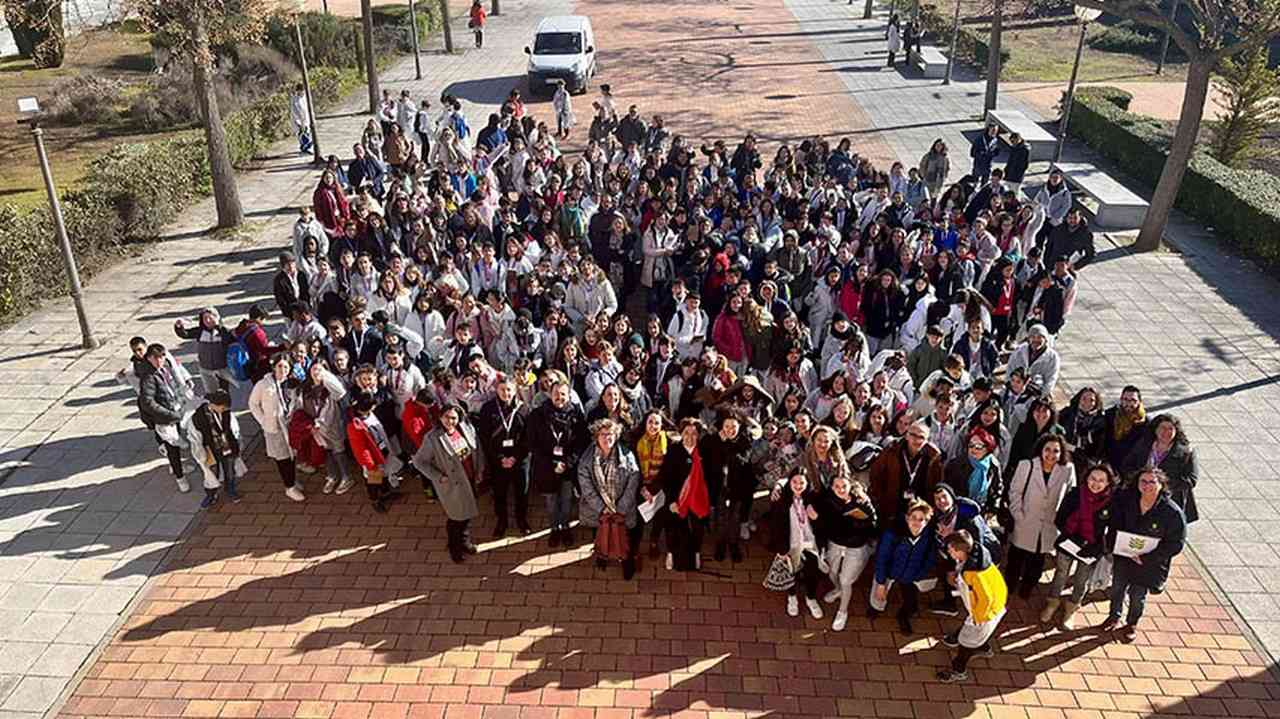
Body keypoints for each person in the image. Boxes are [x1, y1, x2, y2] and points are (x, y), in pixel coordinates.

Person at [1100, 467, 1187, 642]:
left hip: (1147, 563)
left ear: (1161, 485)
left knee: (1137, 595)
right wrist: (1113, 545)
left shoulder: (1172, 513)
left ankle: (1132, 623)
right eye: (1143, 481)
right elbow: (1114, 523)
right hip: (1124, 556)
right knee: (1117, 588)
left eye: (1152, 482)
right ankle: (1113, 616)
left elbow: (1175, 544)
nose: (1147, 486)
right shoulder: (1127, 500)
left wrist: (1147, 557)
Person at [1042, 462, 1115, 629]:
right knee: (1061, 574)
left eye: (1101, 480)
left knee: (1081, 579)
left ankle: (1072, 608)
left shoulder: (1112, 503)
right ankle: (1052, 602)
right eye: (1093, 478)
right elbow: (1060, 517)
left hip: (1091, 548)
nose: (1096, 483)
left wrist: (1098, 547)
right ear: (1086, 478)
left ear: (1108, 483)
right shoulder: (1075, 494)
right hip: (1069, 542)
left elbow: (1111, 530)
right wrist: (1071, 536)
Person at [1005, 434, 1075, 598]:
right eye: (1047, 450)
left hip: (1049, 525)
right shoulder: (1026, 465)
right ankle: (1009, 587)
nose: (1051, 454)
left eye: (1056, 451)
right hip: (1025, 521)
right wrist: (1018, 515)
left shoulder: (1067, 469)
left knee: (1037, 561)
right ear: (1041, 450)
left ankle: (1027, 588)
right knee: (1016, 559)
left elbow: (1071, 494)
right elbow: (1014, 492)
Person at [413, 403, 484, 560]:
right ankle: (454, 547)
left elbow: (477, 450)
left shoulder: (466, 429)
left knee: (466, 515)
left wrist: (479, 470)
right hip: (452, 485)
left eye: (453, 418)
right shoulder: (433, 438)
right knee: (456, 518)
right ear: (440, 417)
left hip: (469, 478)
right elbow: (419, 462)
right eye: (446, 417)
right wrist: (438, 476)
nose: (450, 421)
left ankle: (465, 541)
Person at [936, 529, 1008, 682]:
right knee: (979, 634)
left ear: (959, 551)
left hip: (985, 613)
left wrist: (977, 617)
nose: (948, 552)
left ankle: (959, 670)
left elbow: (986, 599)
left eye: (950, 549)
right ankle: (983, 647)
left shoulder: (973, 573)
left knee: (966, 642)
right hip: (996, 604)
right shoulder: (977, 555)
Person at [578, 417, 642, 578]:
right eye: (603, 434)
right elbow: (586, 488)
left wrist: (620, 508)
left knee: (627, 537)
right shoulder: (587, 459)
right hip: (598, 510)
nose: (607, 438)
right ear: (596, 437)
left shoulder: (627, 456)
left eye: (611, 434)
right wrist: (602, 508)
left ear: (616, 436)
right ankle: (602, 556)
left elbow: (633, 481)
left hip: (623, 508)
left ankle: (627, 562)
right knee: (600, 534)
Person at [528, 378, 588, 546]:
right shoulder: (538, 414)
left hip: (568, 468)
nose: (559, 397)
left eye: (563, 394)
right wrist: (552, 464)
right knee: (551, 501)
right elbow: (533, 444)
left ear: (569, 395)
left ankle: (565, 527)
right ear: (550, 394)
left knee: (567, 500)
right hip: (546, 468)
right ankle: (555, 528)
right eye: (556, 393)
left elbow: (581, 443)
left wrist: (567, 463)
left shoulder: (576, 415)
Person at [818, 475, 879, 631]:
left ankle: (842, 611)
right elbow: (823, 522)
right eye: (836, 487)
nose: (840, 490)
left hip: (855, 546)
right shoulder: (827, 501)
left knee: (846, 580)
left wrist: (859, 521)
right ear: (831, 488)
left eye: (844, 486)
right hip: (835, 543)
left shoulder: (861, 502)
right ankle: (837, 589)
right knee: (831, 571)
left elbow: (873, 524)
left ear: (850, 486)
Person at [476, 374, 532, 537]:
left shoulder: (524, 409)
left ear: (515, 390)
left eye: (509, 390)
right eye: (502, 389)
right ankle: (502, 521)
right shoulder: (488, 409)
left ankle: (521, 520)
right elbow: (485, 437)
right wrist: (501, 458)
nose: (506, 393)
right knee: (499, 493)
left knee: (522, 492)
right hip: (497, 460)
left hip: (520, 460)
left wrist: (515, 457)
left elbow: (528, 439)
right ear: (496, 390)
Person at [870, 498, 936, 634]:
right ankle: (876, 608)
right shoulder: (893, 534)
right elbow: (881, 559)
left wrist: (918, 575)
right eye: (913, 518)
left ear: (926, 521)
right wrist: (881, 583)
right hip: (890, 571)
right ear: (907, 518)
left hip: (911, 575)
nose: (916, 522)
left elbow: (930, 559)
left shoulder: (929, 537)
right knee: (878, 595)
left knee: (911, 604)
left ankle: (903, 616)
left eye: (921, 519)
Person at [767, 468, 825, 619]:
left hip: (809, 543)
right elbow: (775, 527)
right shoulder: (781, 500)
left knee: (812, 571)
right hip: (790, 544)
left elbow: (824, 525)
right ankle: (792, 596)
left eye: (802, 483)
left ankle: (810, 598)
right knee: (791, 571)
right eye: (795, 482)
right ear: (789, 482)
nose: (798, 486)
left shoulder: (813, 499)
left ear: (807, 484)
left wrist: (816, 517)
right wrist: (781, 549)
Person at [1120, 413, 1198, 523]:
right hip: (1141, 495)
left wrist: (1161, 485)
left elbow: (1191, 480)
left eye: (1170, 428)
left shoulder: (1186, 452)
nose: (1166, 432)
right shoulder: (1143, 444)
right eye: (1162, 428)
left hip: (1169, 499)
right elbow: (1127, 465)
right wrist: (1140, 480)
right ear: (1155, 429)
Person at [868, 419, 945, 530]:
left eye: (921, 437)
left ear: (927, 440)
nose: (916, 439)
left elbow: (937, 485)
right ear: (906, 435)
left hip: (919, 510)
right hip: (892, 506)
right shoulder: (892, 450)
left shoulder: (933, 458)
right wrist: (881, 499)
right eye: (913, 435)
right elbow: (876, 475)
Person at [250, 352, 303, 501]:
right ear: (273, 367)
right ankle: (289, 487)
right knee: (282, 459)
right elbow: (253, 404)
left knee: (292, 456)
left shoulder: (291, 383)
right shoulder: (263, 384)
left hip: (290, 427)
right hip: (274, 428)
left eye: (286, 367)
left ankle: (292, 481)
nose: (283, 370)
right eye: (280, 366)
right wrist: (264, 420)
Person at [136, 343, 189, 491]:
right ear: (149, 358)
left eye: (162, 356)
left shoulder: (163, 369)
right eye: (156, 358)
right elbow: (148, 403)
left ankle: (178, 467)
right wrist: (169, 414)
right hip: (165, 418)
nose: (160, 360)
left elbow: (171, 386)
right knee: (172, 447)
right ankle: (180, 477)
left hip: (174, 411)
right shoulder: (148, 377)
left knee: (177, 444)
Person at [185, 389, 243, 508]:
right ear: (212, 405)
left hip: (227, 446)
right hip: (210, 450)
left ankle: (230, 489)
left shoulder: (226, 412)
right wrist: (200, 456)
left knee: (229, 470)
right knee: (211, 473)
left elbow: (234, 429)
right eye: (222, 408)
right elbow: (195, 439)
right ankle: (211, 494)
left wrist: (237, 444)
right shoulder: (197, 418)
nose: (224, 410)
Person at [173, 308, 235, 394]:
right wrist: (179, 327)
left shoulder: (223, 331)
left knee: (224, 393)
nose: (207, 321)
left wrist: (218, 328)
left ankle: (226, 407)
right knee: (211, 394)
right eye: (205, 318)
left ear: (217, 318)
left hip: (222, 368)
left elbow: (232, 340)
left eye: (210, 318)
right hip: (206, 369)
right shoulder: (200, 331)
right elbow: (185, 334)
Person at [289, 83, 312, 155]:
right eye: (301, 91)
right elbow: (295, 111)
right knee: (303, 135)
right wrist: (299, 122)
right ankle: (305, 149)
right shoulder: (295, 99)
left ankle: (306, 147)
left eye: (303, 90)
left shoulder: (305, 98)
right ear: (298, 91)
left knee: (307, 133)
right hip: (299, 121)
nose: (302, 92)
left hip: (306, 120)